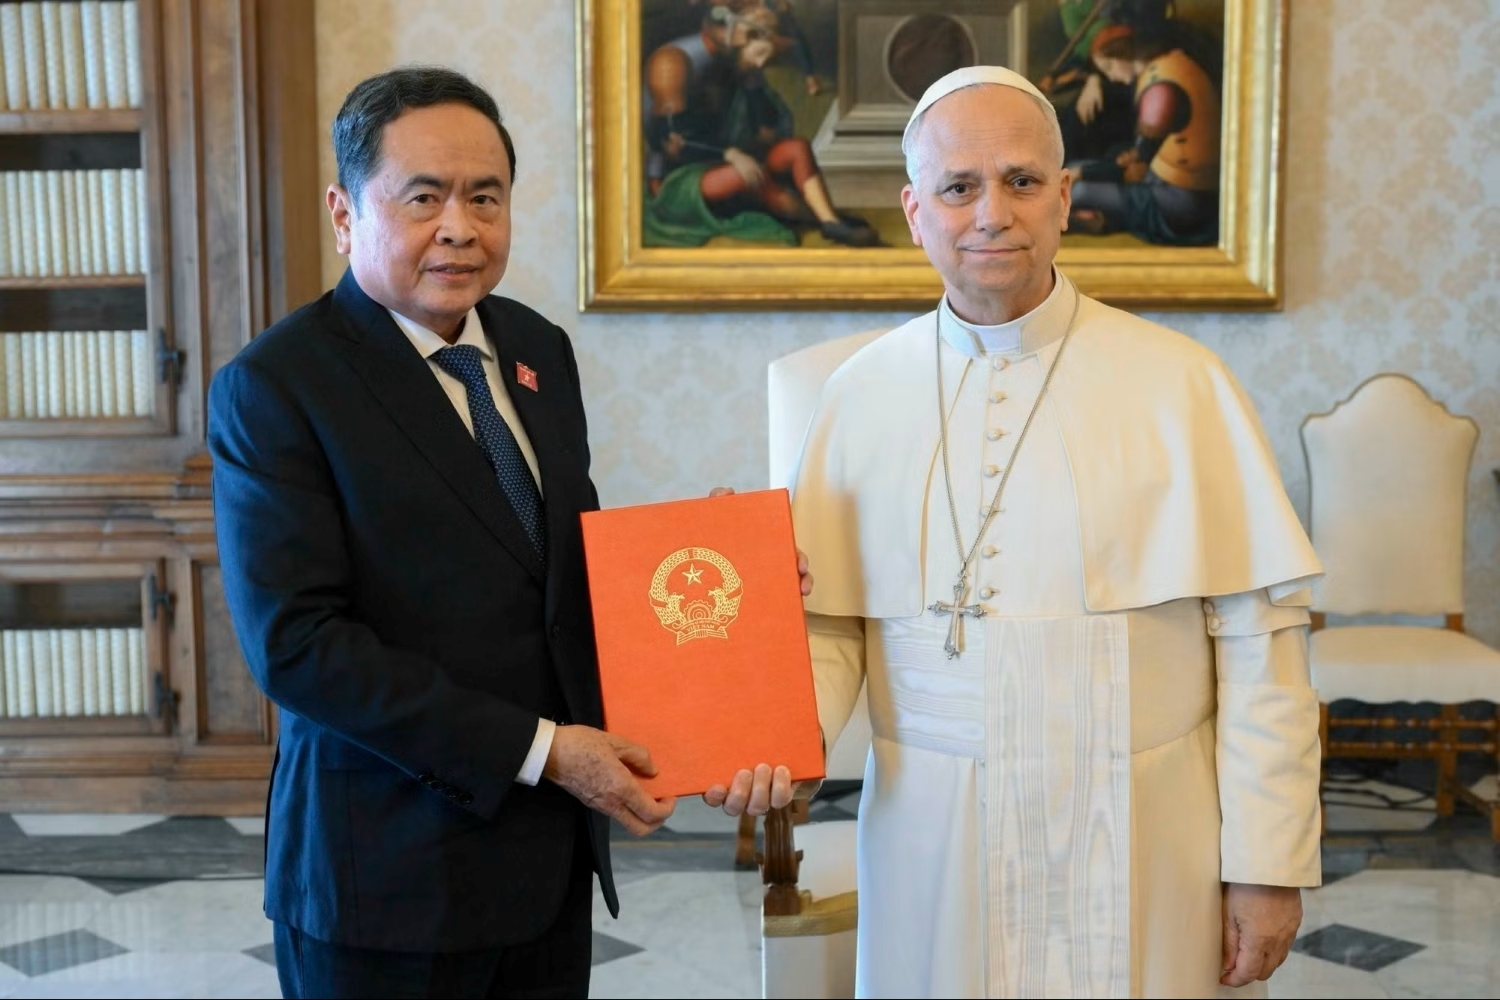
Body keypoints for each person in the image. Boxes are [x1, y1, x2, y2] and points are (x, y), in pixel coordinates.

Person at [708, 65, 1323, 998]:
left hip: (1148, 826)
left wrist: (1268, 865)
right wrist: (782, 747)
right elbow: (831, 626)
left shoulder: (1183, 384)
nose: (991, 213)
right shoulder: (857, 396)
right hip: (932, 832)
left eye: (1022, 181)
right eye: (959, 187)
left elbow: (1259, 643)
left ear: (1065, 198)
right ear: (916, 212)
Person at [209, 67, 686, 999]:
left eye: (485, 197)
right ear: (346, 213)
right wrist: (544, 750)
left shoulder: (536, 348)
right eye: (423, 197)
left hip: (547, 868)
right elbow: (297, 646)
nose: (460, 226)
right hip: (386, 880)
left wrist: (715, 563)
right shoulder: (279, 385)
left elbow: (560, 569)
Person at [642, 6, 879, 248]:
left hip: (726, 161)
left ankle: (829, 220)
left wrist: (753, 86)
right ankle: (821, 219)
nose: (762, 63)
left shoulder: (737, 66)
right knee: (751, 176)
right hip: (679, 178)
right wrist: (731, 154)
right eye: (759, 54)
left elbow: (766, 134)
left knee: (796, 148)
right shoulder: (672, 63)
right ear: (738, 39)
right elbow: (672, 142)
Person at [1066, 21, 1222, 245]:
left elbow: (1136, 167)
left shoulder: (1159, 90)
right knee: (1074, 173)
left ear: (1123, 53)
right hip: (1168, 181)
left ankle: (1099, 218)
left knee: (1077, 190)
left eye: (1109, 67)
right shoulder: (1171, 64)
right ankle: (1097, 217)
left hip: (1181, 202)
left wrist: (1081, 173)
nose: (1111, 77)